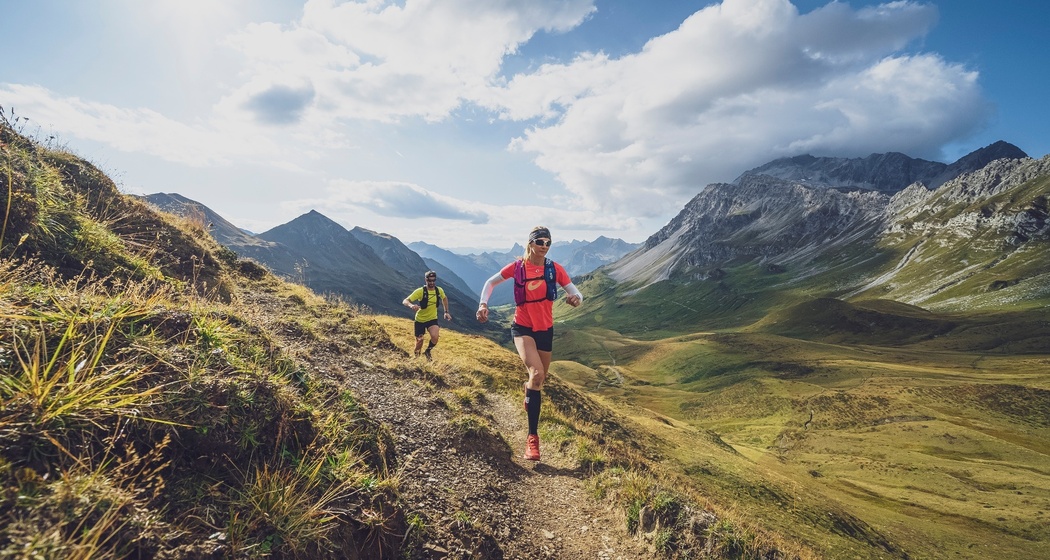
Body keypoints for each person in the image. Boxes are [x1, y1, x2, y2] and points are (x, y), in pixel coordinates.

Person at [475, 226, 583, 461]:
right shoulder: (517, 267)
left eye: (548, 243)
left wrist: (575, 299)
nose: (544, 246)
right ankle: (532, 439)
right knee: (536, 374)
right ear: (531, 243)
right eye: (540, 241)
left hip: (545, 329)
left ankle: (529, 391)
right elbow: (490, 283)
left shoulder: (555, 269)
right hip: (522, 328)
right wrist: (483, 304)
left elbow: (576, 293)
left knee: (540, 380)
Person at [403, 271, 451, 361]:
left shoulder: (439, 290)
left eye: (433, 280)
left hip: (432, 319)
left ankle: (428, 351)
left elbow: (444, 298)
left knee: (435, 337)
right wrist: (411, 305)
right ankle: (416, 358)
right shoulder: (420, 291)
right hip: (420, 320)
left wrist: (446, 312)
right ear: (426, 280)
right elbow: (405, 300)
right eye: (430, 281)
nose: (432, 283)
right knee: (419, 341)